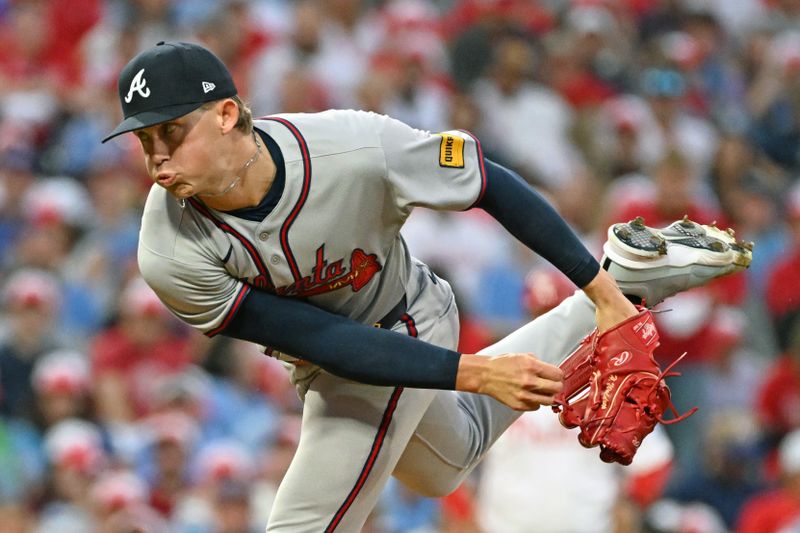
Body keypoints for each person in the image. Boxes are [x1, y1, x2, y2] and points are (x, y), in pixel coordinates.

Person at [102, 41, 749, 532]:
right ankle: (630, 279)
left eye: (170, 132)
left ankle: (614, 283)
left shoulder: (353, 147)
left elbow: (487, 183)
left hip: (407, 314)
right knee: (447, 461)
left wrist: (595, 286)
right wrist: (475, 371)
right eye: (144, 140)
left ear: (224, 114)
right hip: (341, 354)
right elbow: (321, 338)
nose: (155, 157)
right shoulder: (168, 252)